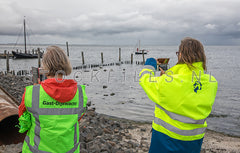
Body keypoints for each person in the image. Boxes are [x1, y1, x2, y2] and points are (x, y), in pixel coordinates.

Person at [139, 37, 218, 153]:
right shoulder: (212, 83)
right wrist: (169, 77)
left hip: (164, 140)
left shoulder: (167, 83)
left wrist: (150, 64)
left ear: (181, 55)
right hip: (193, 142)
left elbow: (145, 80)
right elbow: (187, 89)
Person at [18, 46, 87, 153]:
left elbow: (23, 120)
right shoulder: (80, 93)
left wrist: (37, 87)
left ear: (45, 66)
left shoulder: (32, 93)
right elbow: (78, 117)